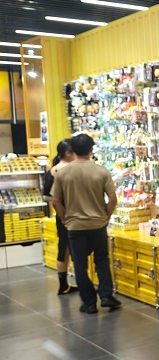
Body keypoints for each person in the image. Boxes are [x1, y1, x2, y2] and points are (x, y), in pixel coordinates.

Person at [50, 133, 120, 314]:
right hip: (97, 224)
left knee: (80, 265)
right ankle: (106, 295)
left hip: (75, 226)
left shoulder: (63, 173)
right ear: (91, 150)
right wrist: (106, 216)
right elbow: (112, 198)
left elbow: (55, 201)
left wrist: (64, 218)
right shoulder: (101, 171)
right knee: (102, 260)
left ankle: (89, 303)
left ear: (72, 150)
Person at [43, 140, 77, 295]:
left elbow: (47, 196)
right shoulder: (71, 170)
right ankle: (82, 283)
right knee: (77, 249)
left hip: (60, 214)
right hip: (74, 214)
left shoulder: (53, 170)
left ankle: (63, 285)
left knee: (63, 248)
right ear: (68, 153)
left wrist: (60, 211)